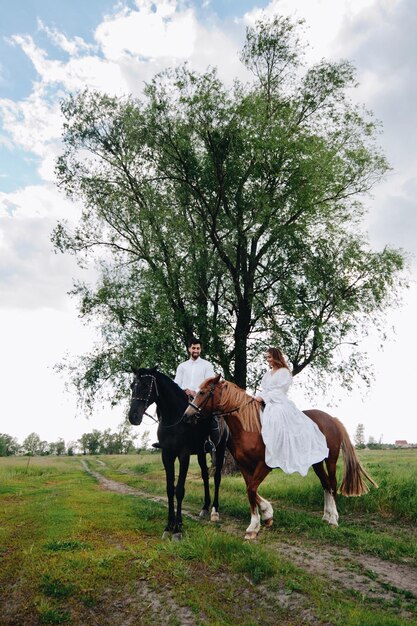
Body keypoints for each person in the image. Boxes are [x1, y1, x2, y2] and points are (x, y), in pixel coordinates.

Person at [255, 347, 329, 475]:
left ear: (276, 357)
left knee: (276, 418)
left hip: (279, 402)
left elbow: (279, 391)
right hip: (267, 400)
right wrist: (257, 397)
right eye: (267, 357)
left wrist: (264, 397)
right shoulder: (267, 374)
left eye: (270, 357)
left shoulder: (284, 373)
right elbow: (265, 389)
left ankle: (281, 450)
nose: (268, 360)